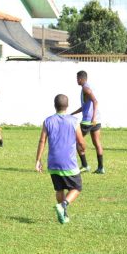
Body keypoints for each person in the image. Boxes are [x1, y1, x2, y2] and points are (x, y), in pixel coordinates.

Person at [36, 94, 87, 224]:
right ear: (67, 105)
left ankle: (64, 215)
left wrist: (38, 160)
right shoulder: (74, 121)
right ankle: (63, 205)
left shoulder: (48, 121)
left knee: (59, 189)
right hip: (68, 162)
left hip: (53, 163)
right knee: (77, 187)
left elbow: (42, 141)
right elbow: (81, 142)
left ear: (55, 105)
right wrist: (83, 149)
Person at [71, 70, 105, 174]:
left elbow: (95, 101)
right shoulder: (87, 87)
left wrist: (93, 118)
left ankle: (85, 165)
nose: (76, 80)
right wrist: (72, 113)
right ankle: (101, 168)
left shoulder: (85, 88)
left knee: (76, 140)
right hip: (96, 121)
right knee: (97, 143)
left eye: (77, 78)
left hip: (88, 121)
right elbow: (85, 106)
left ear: (81, 79)